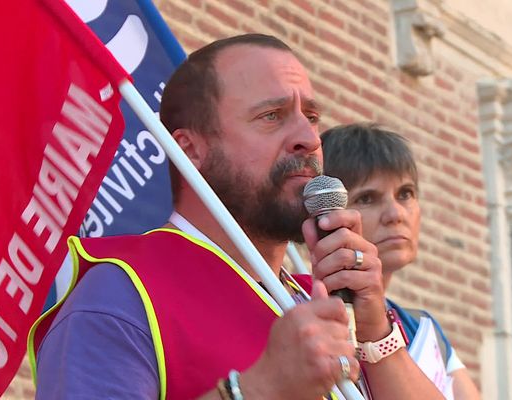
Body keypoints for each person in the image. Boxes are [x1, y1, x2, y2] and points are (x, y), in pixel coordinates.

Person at [31, 35, 444, 399]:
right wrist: (259, 390)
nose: (309, 139)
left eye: (311, 117)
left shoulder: (313, 298)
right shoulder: (119, 296)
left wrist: (375, 331)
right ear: (191, 151)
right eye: (272, 116)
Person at [321, 123, 482, 400]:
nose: (395, 214)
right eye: (367, 198)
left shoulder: (423, 329)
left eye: (405, 194)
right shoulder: (299, 312)